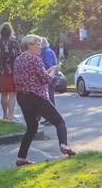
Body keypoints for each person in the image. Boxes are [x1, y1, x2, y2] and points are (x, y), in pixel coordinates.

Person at [13, 34, 74, 167]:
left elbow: (33, 76)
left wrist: (46, 72)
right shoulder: (35, 59)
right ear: (29, 45)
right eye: (37, 44)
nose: (40, 47)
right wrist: (53, 71)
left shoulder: (18, 60)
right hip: (36, 97)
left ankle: (21, 158)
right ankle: (64, 145)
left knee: (31, 128)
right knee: (59, 122)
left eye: (40, 44)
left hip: (23, 97)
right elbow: (46, 80)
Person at [0, 22, 21, 122]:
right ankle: (11, 115)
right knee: (12, 93)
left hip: (0, 72)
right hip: (13, 70)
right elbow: (19, 57)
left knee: (4, 93)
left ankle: (5, 115)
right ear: (10, 31)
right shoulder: (15, 43)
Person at [40, 37, 59, 107]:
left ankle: (53, 115)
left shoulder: (47, 52)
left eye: (39, 44)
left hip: (50, 76)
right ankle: (52, 115)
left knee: (49, 97)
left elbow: (49, 65)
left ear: (42, 44)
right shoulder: (45, 52)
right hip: (49, 76)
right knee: (48, 97)